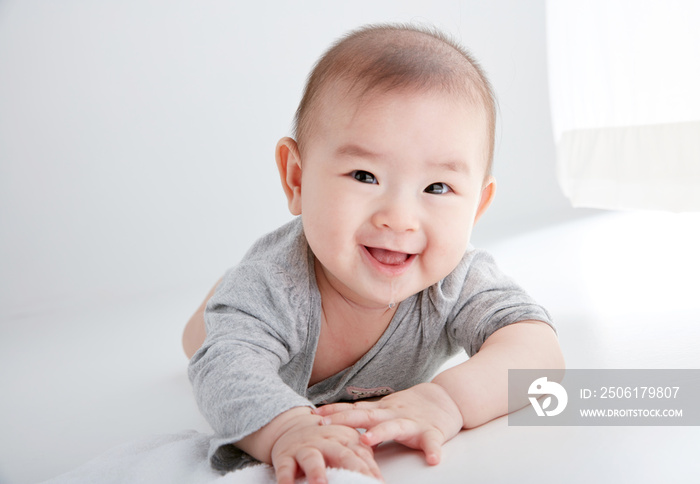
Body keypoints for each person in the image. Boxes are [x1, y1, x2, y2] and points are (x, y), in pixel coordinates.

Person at [184, 23, 564, 484]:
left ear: (477, 207)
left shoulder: (456, 280)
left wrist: (447, 400)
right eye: (365, 176)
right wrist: (287, 427)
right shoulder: (274, 284)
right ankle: (215, 301)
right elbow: (225, 367)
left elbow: (538, 351)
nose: (399, 218)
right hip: (238, 313)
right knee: (204, 334)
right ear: (297, 179)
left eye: (437, 187)